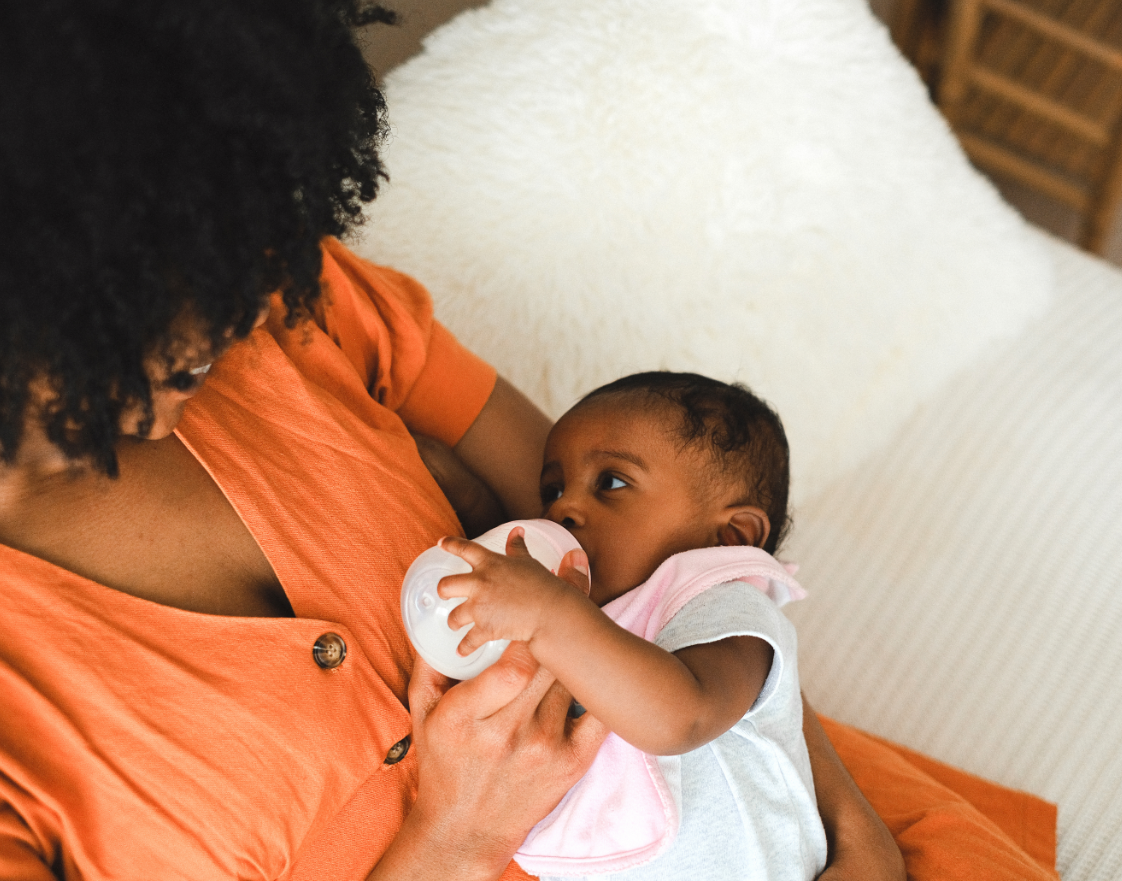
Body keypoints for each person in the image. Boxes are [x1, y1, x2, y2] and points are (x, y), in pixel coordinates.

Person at [0, 2, 905, 880]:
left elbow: (671, 554)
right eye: (149, 281)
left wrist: (845, 824)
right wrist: (457, 841)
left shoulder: (273, 289)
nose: (229, 315)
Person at [438, 372, 830, 880]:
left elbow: (680, 719)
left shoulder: (730, 611)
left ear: (729, 535)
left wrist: (547, 615)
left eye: (612, 482)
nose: (563, 508)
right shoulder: (584, 615)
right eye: (551, 489)